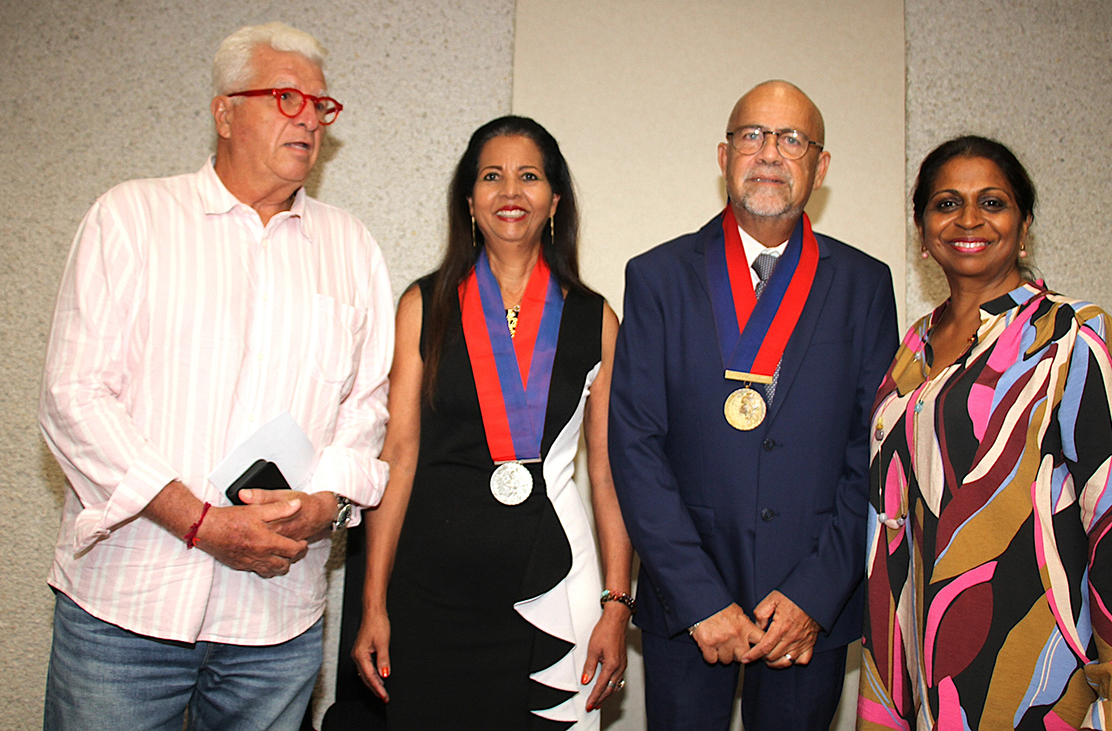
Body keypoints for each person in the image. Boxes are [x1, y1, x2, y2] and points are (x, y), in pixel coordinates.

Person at [38, 22, 393, 731]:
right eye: (287, 96)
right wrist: (200, 522)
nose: (309, 118)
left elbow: (366, 411)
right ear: (224, 111)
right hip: (126, 612)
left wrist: (327, 503)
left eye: (321, 106)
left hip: (276, 626)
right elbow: (72, 398)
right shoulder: (132, 219)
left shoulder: (351, 249)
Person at [857, 136, 1112, 730]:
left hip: (1041, 665)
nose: (968, 220)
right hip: (922, 667)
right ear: (921, 230)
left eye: (992, 202)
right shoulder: (911, 351)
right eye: (945, 203)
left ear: (1024, 221)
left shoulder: (1074, 339)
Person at [608, 80, 899, 729]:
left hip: (807, 608)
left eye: (792, 139)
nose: (770, 153)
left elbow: (877, 451)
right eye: (753, 135)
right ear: (723, 155)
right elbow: (635, 445)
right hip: (687, 603)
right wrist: (698, 597)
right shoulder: (656, 277)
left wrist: (815, 595)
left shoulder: (863, 285)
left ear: (820, 167)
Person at [350, 115, 633, 730]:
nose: (511, 192)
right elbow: (397, 456)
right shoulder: (423, 306)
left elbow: (610, 475)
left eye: (529, 176)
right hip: (430, 593)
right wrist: (372, 603)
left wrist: (617, 603)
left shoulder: (595, 319)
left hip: (555, 589)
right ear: (469, 199)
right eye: (492, 177)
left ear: (554, 200)